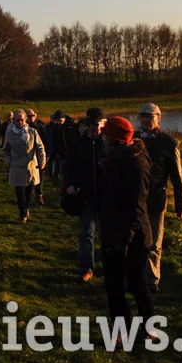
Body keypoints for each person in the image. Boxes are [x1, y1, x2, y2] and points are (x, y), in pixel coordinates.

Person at [99, 116, 155, 342]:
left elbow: (136, 207)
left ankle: (149, 329)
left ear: (114, 139)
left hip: (134, 235)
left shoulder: (136, 164)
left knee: (137, 283)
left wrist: (124, 241)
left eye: (105, 135)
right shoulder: (115, 159)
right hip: (113, 232)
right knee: (113, 285)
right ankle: (122, 331)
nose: (102, 138)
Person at [137, 103, 182, 293]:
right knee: (134, 240)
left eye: (150, 117)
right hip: (134, 199)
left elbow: (178, 176)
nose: (145, 120)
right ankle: (135, 275)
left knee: (154, 242)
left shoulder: (170, 143)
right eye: (142, 116)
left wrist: (181, 203)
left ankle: (152, 279)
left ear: (159, 118)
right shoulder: (133, 139)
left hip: (156, 199)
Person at [65, 108, 107, 282]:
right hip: (86, 196)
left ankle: (110, 267)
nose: (93, 129)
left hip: (107, 196)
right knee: (86, 233)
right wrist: (71, 185)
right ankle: (86, 267)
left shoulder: (109, 143)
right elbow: (69, 167)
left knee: (108, 234)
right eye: (90, 125)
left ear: (103, 124)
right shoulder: (78, 143)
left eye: (96, 125)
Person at [3, 109, 46, 223]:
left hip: (30, 167)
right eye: (17, 120)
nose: (20, 123)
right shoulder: (10, 133)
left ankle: (26, 207)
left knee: (28, 192)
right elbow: (5, 150)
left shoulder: (32, 132)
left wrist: (42, 162)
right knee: (20, 192)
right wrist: (8, 161)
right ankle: (23, 213)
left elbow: (40, 148)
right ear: (14, 121)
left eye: (22, 120)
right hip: (17, 166)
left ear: (25, 120)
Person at [26, 109, 48, 204]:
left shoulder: (40, 126)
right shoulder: (23, 127)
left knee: (41, 176)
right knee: (28, 176)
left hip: (39, 154)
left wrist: (46, 154)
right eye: (29, 116)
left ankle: (39, 195)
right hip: (28, 156)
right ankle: (29, 195)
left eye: (33, 115)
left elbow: (46, 140)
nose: (31, 117)